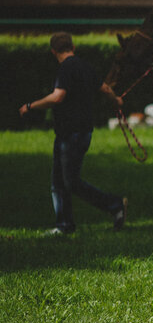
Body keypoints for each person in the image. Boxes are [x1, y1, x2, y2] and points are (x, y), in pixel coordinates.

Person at [19, 32, 128, 236]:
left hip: (71, 134)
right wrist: (117, 101)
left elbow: (58, 97)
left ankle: (114, 205)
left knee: (70, 182)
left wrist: (30, 106)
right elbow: (104, 88)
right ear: (73, 47)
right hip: (82, 132)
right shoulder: (85, 66)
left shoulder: (65, 69)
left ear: (53, 51)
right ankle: (64, 225)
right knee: (59, 182)